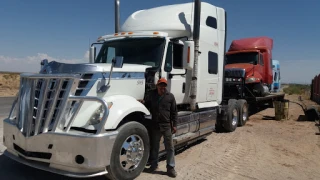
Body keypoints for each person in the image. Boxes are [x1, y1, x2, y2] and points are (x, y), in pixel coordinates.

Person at [139, 78, 178, 178]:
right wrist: (141, 103)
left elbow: (174, 112)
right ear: (157, 85)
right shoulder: (152, 95)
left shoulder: (170, 97)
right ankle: (153, 165)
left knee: (170, 147)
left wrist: (175, 125)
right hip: (155, 125)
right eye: (161, 85)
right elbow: (147, 105)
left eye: (164, 85)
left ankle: (171, 168)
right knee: (155, 147)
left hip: (166, 126)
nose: (162, 87)